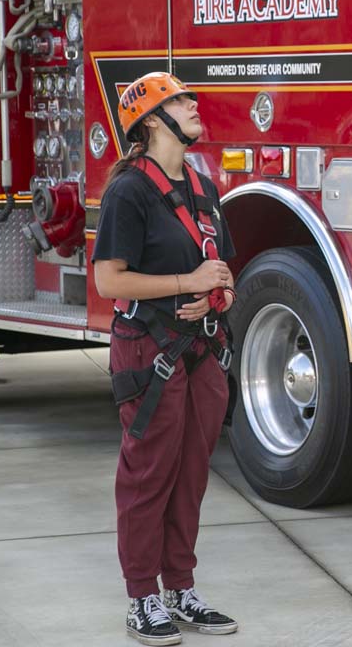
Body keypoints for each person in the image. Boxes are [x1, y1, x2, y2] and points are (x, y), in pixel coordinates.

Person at [93, 72, 240, 644]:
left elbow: (220, 264)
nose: (193, 105)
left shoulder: (201, 185)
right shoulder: (129, 190)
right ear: (153, 121)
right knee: (149, 473)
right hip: (148, 348)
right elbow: (109, 279)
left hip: (201, 348)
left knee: (191, 474)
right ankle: (141, 599)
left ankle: (180, 588)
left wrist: (214, 292)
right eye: (180, 100)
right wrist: (185, 281)